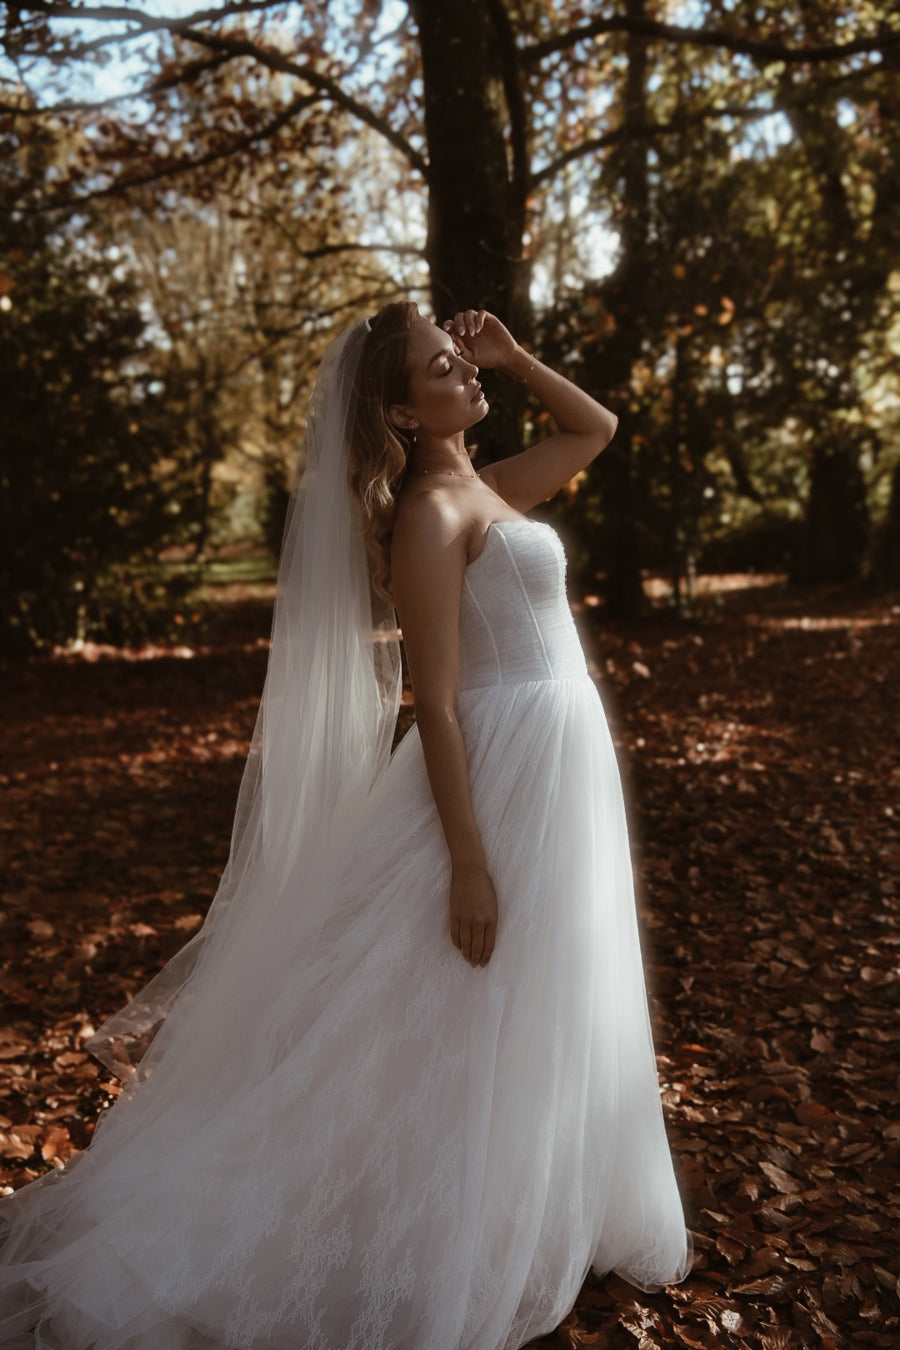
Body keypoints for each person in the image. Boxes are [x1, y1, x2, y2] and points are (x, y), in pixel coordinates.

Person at [0, 303, 692, 1350]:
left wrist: (515, 355)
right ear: (401, 412)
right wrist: (467, 860)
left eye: (462, 359)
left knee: (547, 983)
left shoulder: (486, 484)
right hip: (499, 772)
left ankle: (537, 1196)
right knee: (458, 995)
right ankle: (413, 1220)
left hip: (562, 766)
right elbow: (441, 702)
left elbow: (594, 430)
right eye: (442, 368)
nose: (464, 372)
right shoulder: (431, 515)